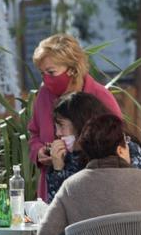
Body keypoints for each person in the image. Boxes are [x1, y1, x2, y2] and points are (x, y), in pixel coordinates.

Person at [29, 34, 122, 201]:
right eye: (42, 73)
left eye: (51, 72)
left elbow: (118, 140)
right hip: (53, 187)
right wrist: (39, 152)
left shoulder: (100, 96)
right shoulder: (43, 95)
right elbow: (34, 134)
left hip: (95, 190)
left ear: (72, 69)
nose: (45, 80)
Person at [44, 91, 141, 202]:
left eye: (61, 126)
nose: (57, 133)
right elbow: (59, 208)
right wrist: (57, 170)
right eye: (55, 127)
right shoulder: (66, 157)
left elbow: (138, 193)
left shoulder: (124, 148)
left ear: (80, 124)